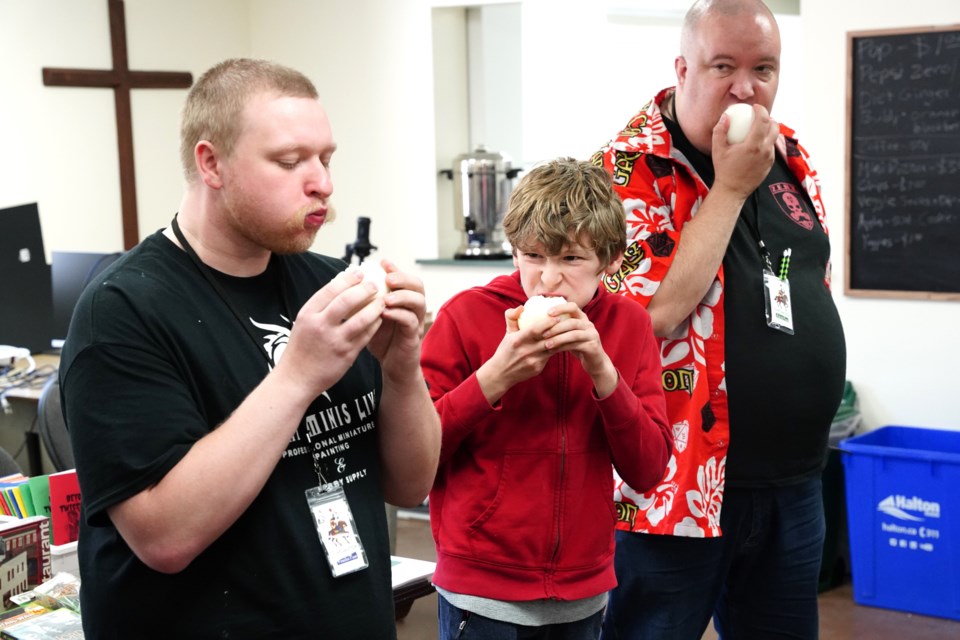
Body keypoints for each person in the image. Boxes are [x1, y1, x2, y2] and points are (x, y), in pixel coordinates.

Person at [59, 58, 441, 639]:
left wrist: (403, 368)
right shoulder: (122, 310)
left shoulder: (326, 282)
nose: (322, 183)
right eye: (290, 162)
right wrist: (297, 375)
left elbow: (409, 486)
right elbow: (165, 538)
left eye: (326, 158)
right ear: (211, 164)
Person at [592, 1, 846, 638]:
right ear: (682, 68)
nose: (745, 87)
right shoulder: (626, 170)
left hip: (794, 480)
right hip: (677, 491)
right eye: (723, 66)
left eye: (764, 69)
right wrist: (729, 188)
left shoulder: (788, 157)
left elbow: (807, 277)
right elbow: (648, 316)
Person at [421, 158, 673, 639]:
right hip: (481, 587)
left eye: (571, 259)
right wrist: (495, 376)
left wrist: (602, 370)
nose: (548, 279)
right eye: (533, 256)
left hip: (583, 589)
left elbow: (648, 470)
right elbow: (417, 459)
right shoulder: (464, 317)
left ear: (612, 259)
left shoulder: (629, 325)